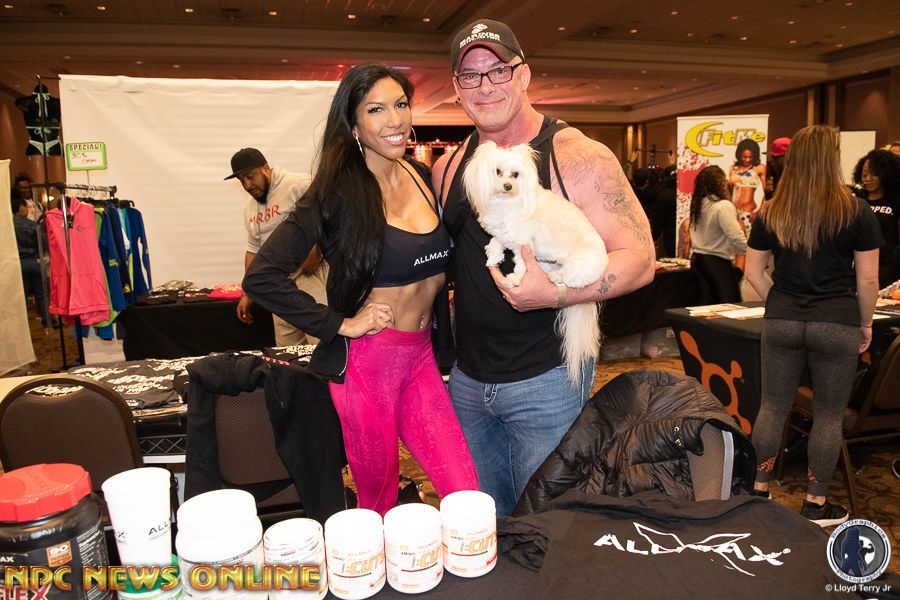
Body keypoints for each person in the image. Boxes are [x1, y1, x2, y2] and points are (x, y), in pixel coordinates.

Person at [433, 19, 655, 516]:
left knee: (547, 527)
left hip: (547, 381)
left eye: (498, 70)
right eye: (471, 75)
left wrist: (556, 295)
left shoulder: (577, 155)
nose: (485, 86)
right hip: (467, 381)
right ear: (457, 88)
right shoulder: (449, 168)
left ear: (524, 75)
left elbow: (640, 260)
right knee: (482, 524)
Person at [243, 63, 478, 516]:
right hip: (368, 368)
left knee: (464, 489)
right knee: (379, 501)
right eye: (376, 110)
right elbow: (262, 277)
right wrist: (339, 324)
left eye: (401, 105)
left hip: (421, 360)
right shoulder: (334, 193)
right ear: (352, 125)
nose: (395, 120)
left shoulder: (420, 175)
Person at [744, 125, 882, 527]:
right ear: (831, 157)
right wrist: (865, 322)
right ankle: (815, 504)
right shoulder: (855, 210)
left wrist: (779, 301)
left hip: (783, 320)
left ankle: (757, 492)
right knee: (828, 416)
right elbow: (868, 280)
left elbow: (753, 271)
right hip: (836, 322)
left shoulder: (773, 210)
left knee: (772, 407)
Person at [225, 147, 326, 346]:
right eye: (241, 180)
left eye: (250, 176)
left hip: (311, 274)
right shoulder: (250, 208)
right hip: (278, 281)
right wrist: (247, 292)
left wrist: (316, 248)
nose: (247, 185)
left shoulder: (299, 184)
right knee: (287, 347)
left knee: (320, 340)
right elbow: (253, 250)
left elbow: (330, 216)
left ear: (266, 169)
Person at [689, 165, 747, 304]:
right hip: (717, 263)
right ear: (720, 183)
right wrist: (750, 252)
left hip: (697, 260)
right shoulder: (723, 206)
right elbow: (735, 235)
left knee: (705, 306)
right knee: (730, 306)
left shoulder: (698, 204)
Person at [852, 149, 900, 287]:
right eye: (864, 174)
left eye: (874, 174)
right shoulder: (857, 199)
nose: (868, 179)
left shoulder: (895, 201)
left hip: (886, 266)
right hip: (858, 263)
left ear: (885, 174)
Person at [11, 192, 51, 329]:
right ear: (21, 208)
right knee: (41, 293)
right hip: (35, 261)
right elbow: (44, 242)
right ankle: (48, 320)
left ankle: (20, 326)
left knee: (20, 296)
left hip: (18, 264)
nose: (28, 210)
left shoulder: (9, 226)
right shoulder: (33, 225)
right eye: (27, 207)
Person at [728, 138, 766, 226]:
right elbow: (728, 193)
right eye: (744, 157)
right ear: (739, 155)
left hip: (750, 214)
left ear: (755, 156)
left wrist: (759, 211)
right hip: (734, 214)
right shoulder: (733, 169)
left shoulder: (759, 168)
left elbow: (768, 194)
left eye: (750, 157)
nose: (747, 160)